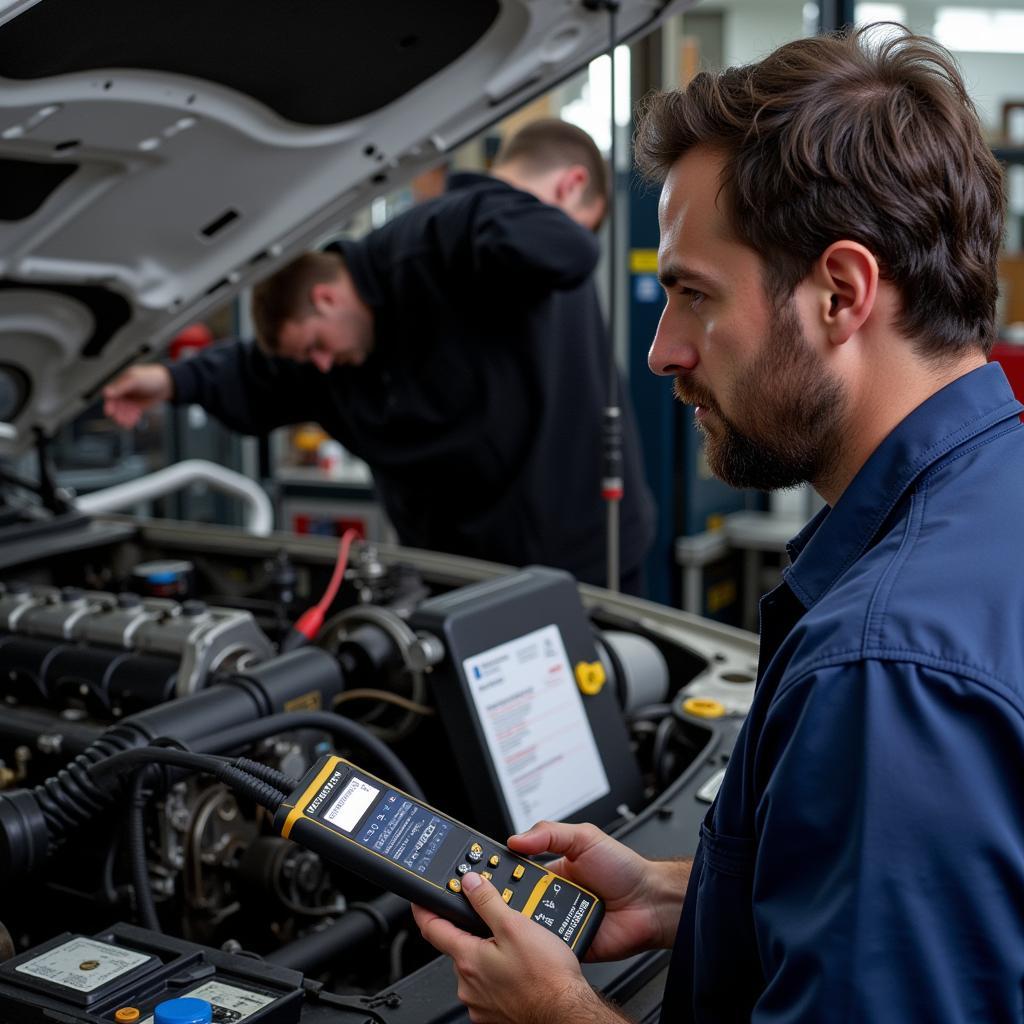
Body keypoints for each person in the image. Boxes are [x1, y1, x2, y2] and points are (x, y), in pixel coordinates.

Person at [412, 25, 1024, 1024]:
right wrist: (685, 894)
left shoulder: (884, 674)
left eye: (692, 295)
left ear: (841, 292)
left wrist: (560, 1015)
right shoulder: (995, 493)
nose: (660, 351)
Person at [103, 119, 656, 593]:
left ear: (327, 298)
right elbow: (252, 372)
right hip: (457, 575)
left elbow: (565, 249)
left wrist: (494, 205)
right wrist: (166, 380)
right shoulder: (336, 357)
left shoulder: (444, 235)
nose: (318, 363)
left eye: (316, 346)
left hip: (581, 560)